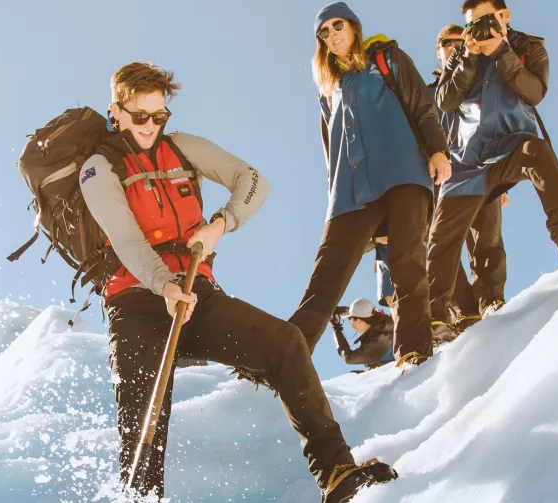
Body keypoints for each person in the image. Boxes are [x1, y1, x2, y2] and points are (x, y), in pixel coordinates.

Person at [79, 61, 394, 502]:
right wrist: (164, 286)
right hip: (135, 303)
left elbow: (253, 181)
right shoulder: (97, 168)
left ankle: (336, 470)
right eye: (139, 116)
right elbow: (127, 240)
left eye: (159, 116)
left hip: (196, 292)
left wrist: (221, 224)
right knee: (144, 416)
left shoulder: (183, 148)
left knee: (285, 343)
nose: (150, 126)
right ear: (117, 111)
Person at [290, 2, 451, 372]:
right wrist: (334, 192)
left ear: (354, 26)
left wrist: (438, 150)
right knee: (328, 269)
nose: (332, 35)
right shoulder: (328, 88)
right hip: (350, 191)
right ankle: (286, 355)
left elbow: (421, 105)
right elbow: (331, 152)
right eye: (324, 33)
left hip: (402, 173)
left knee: (406, 260)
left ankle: (413, 351)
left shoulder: (387, 59)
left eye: (337, 25)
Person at [429, 0, 558, 339]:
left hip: (510, 146)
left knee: (536, 151)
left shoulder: (528, 48)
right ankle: (434, 318)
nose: (478, 29)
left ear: (504, 17)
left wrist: (501, 51)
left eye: (486, 20)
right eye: (472, 24)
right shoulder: (461, 57)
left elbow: (534, 92)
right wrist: (469, 57)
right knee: (441, 238)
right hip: (467, 162)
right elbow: (445, 101)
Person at [431, 23, 509, 334]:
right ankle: (465, 310)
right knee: (442, 247)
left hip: (481, 169)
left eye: (456, 41)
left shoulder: (482, 87)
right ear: (438, 53)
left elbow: (497, 126)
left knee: (486, 238)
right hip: (442, 182)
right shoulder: (430, 95)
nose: (452, 47)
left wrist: (503, 178)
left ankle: (490, 299)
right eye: (445, 44)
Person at [333, 298, 396, 370]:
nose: (350, 321)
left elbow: (348, 358)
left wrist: (336, 329)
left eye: (350, 319)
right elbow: (361, 313)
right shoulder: (381, 324)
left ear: (359, 321)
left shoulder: (380, 340)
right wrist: (345, 310)